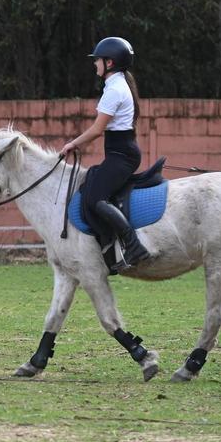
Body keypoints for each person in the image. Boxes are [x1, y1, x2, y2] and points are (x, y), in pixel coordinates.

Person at [60, 36, 151, 273]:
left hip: (122, 155)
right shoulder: (116, 85)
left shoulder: (115, 90)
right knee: (91, 183)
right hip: (119, 152)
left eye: (98, 60)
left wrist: (72, 144)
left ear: (109, 63)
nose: (95, 64)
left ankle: (133, 245)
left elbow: (98, 129)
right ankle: (108, 248)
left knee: (94, 199)